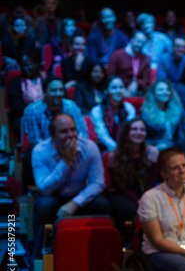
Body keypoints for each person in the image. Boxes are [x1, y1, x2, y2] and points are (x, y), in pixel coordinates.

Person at [32, 113, 109, 259]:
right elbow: (44, 189)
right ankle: (39, 258)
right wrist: (66, 162)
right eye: (63, 131)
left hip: (79, 197)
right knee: (44, 205)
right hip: (53, 196)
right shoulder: (40, 151)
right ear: (52, 135)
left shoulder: (89, 147)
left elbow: (98, 183)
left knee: (102, 204)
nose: (71, 135)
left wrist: (75, 202)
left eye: (73, 130)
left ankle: (97, 255)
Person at [107, 119, 159, 227]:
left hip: (145, 192)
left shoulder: (152, 152)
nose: (139, 133)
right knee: (133, 210)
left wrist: (145, 199)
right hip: (122, 193)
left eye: (142, 130)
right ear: (126, 132)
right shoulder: (114, 156)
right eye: (134, 129)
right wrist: (137, 200)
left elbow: (151, 182)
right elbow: (121, 185)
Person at [23, 76, 88, 147]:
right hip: (44, 152)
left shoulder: (71, 106)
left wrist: (73, 147)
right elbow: (35, 140)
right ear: (44, 92)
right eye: (54, 90)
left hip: (72, 148)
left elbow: (82, 132)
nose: (58, 94)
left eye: (61, 90)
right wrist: (57, 150)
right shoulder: (32, 111)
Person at [90, 76, 137, 151]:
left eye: (121, 87)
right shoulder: (97, 110)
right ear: (106, 90)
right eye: (114, 88)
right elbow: (102, 134)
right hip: (105, 148)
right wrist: (116, 149)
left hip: (126, 147)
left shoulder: (129, 108)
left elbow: (129, 131)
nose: (118, 91)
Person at [7, 50, 45, 139]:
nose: (26, 69)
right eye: (23, 66)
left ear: (36, 64)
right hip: (24, 115)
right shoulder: (15, 82)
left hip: (47, 112)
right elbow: (16, 106)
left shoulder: (46, 78)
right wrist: (35, 111)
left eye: (28, 65)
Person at [141, 80, 184, 150]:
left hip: (173, 149)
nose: (165, 92)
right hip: (154, 149)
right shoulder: (146, 113)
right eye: (160, 90)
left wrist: (172, 145)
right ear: (154, 93)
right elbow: (144, 138)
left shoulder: (177, 111)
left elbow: (181, 136)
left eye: (167, 89)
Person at [106, 30, 150, 96]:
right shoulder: (118, 54)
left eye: (143, 43)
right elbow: (110, 75)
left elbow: (146, 80)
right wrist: (120, 87)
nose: (139, 45)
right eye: (138, 41)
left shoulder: (145, 59)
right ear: (132, 39)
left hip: (137, 91)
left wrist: (137, 83)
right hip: (119, 89)